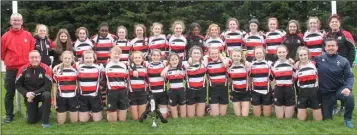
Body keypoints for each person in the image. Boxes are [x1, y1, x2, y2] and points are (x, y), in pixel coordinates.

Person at [1, 13, 35, 123]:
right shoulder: (5, 36)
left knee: (28, 92)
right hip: (11, 69)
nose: (16, 22)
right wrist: (10, 61)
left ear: (22, 22)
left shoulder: (28, 35)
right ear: (11, 22)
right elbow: (2, 53)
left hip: (25, 69)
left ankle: (30, 113)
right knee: (9, 92)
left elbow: (32, 51)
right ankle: (9, 115)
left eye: (18, 20)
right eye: (14, 20)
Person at [316, 38, 354, 128]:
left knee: (350, 97)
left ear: (337, 47)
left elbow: (349, 76)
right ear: (325, 48)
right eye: (328, 46)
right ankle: (330, 107)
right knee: (327, 118)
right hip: (326, 92)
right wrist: (297, 62)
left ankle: (347, 119)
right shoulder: (318, 59)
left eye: (333, 45)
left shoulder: (343, 61)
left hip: (339, 89)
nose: (331, 48)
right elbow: (306, 63)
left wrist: (348, 87)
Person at [324, 14, 356, 116]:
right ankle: (334, 105)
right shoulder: (326, 36)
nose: (334, 23)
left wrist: (349, 64)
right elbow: (323, 49)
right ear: (329, 24)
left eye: (336, 21)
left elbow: (352, 49)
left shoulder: (346, 34)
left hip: (343, 65)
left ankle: (343, 106)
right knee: (332, 85)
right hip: (330, 66)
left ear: (339, 23)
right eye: (332, 22)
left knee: (344, 85)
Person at [15, 50, 52, 128]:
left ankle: (45, 122)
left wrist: (34, 93)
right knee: (31, 121)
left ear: (40, 58)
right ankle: (45, 109)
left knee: (47, 95)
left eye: (36, 57)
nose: (34, 59)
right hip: (29, 96)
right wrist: (26, 94)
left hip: (41, 94)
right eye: (32, 57)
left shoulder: (46, 68)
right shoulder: (23, 69)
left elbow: (48, 86)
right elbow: (18, 85)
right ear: (28, 58)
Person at [294, 46, 322, 121]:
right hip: (302, 92)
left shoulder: (314, 64)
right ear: (298, 56)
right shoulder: (297, 67)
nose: (303, 57)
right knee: (301, 119)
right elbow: (293, 78)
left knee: (318, 120)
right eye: (301, 55)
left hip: (314, 92)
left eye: (305, 54)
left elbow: (319, 77)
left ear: (308, 55)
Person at [52, 51, 79, 125]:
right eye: (65, 58)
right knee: (60, 122)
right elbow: (54, 86)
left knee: (74, 122)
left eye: (69, 58)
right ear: (62, 59)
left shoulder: (76, 70)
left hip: (73, 97)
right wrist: (54, 100)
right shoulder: (57, 70)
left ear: (72, 59)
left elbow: (78, 84)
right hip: (61, 97)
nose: (67, 60)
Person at [76, 50, 103, 122]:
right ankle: (88, 112)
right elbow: (66, 63)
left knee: (97, 120)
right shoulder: (78, 67)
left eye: (90, 58)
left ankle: (92, 112)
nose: (88, 60)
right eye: (86, 58)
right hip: (83, 96)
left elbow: (101, 78)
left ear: (94, 58)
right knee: (83, 121)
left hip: (94, 96)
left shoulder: (98, 68)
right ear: (83, 59)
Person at [104, 46, 129, 122]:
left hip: (122, 91)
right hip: (112, 91)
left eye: (118, 54)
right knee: (112, 121)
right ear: (110, 54)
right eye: (115, 53)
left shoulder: (124, 65)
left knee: (122, 120)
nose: (116, 55)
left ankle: (118, 111)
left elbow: (126, 78)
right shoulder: (106, 65)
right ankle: (111, 112)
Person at [271, 45, 296, 119]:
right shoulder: (273, 64)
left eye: (283, 52)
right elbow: (272, 79)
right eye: (279, 52)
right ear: (276, 53)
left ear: (287, 53)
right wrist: (273, 90)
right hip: (278, 89)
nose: (281, 54)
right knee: (280, 117)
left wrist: (294, 64)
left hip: (289, 89)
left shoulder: (291, 63)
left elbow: (295, 77)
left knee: (288, 118)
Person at [205, 47, 230, 117]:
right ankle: (208, 108)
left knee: (222, 114)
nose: (214, 55)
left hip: (223, 89)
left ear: (219, 54)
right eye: (212, 54)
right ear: (209, 55)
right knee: (215, 115)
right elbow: (207, 76)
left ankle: (217, 106)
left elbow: (230, 62)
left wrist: (221, 57)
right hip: (213, 89)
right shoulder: (207, 63)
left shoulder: (225, 61)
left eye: (216, 53)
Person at [249, 46, 273, 117]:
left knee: (267, 115)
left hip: (266, 90)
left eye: (260, 53)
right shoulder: (251, 65)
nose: (259, 55)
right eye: (257, 53)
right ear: (254, 54)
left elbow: (273, 77)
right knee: (257, 116)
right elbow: (250, 77)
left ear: (264, 53)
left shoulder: (269, 64)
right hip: (255, 91)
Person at [161, 53, 187, 118]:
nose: (174, 61)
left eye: (176, 59)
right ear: (169, 61)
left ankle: (182, 116)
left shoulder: (182, 69)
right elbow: (163, 76)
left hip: (181, 91)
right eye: (172, 60)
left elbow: (187, 65)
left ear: (179, 60)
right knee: (173, 105)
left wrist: (180, 70)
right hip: (172, 91)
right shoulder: (167, 71)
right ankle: (175, 116)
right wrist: (166, 69)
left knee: (182, 104)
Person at [227, 48, 251, 117]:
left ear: (241, 57)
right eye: (234, 56)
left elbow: (250, 76)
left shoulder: (246, 65)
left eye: (238, 56)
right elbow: (229, 79)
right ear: (231, 56)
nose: (236, 58)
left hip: (245, 92)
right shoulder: (229, 67)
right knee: (238, 115)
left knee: (244, 115)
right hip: (235, 92)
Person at [184, 46, 207, 117]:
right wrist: (165, 69)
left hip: (201, 90)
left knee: (200, 115)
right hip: (190, 91)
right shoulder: (185, 64)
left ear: (201, 55)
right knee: (191, 116)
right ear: (190, 54)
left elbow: (215, 52)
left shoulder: (204, 63)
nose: (196, 55)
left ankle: (207, 108)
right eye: (194, 53)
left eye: (198, 53)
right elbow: (171, 62)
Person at [146, 49, 169, 118]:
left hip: (162, 93)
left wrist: (165, 69)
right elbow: (133, 62)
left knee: (164, 116)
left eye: (157, 55)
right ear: (151, 56)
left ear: (160, 56)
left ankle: (167, 110)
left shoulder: (164, 63)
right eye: (154, 55)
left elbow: (175, 62)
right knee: (153, 115)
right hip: (152, 93)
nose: (156, 57)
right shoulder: (147, 64)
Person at [128, 51, 148, 120]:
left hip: (142, 92)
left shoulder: (145, 69)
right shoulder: (129, 68)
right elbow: (130, 64)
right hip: (132, 93)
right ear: (132, 59)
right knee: (135, 118)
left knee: (141, 118)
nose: (137, 59)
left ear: (142, 59)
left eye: (139, 57)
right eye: (135, 58)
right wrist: (134, 69)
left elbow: (147, 81)